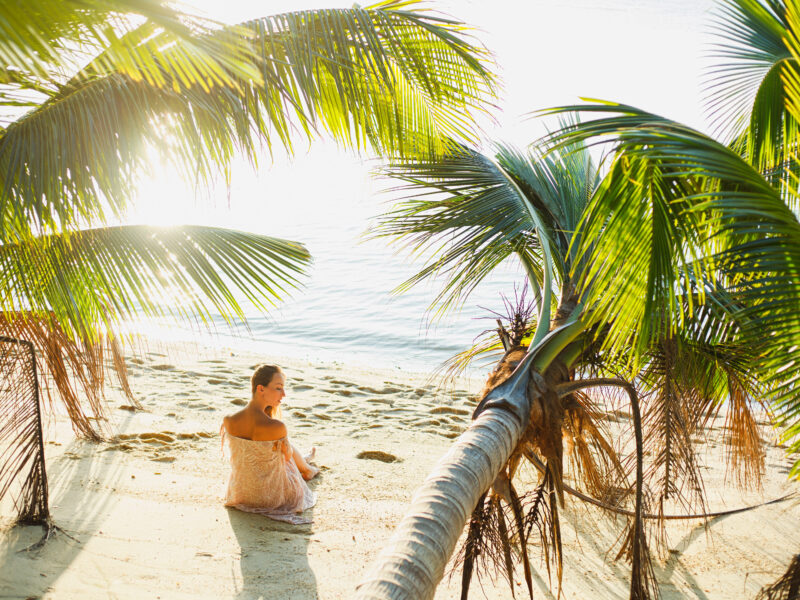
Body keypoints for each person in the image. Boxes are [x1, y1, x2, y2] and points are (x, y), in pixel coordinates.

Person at [221, 365, 318, 524]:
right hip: (273, 498)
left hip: (240, 494)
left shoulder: (229, 420)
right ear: (261, 388)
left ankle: (306, 461)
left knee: (276, 445)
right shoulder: (276, 427)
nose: (284, 394)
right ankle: (308, 469)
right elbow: (287, 459)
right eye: (279, 388)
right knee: (286, 448)